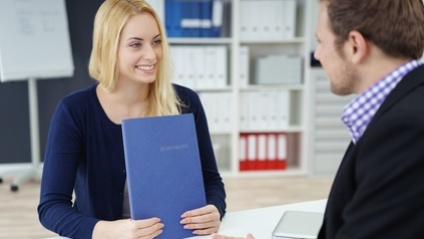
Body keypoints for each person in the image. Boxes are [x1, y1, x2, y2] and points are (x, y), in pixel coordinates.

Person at [212, 0, 424, 238]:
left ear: (355, 45)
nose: (316, 54)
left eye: (321, 41)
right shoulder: (401, 107)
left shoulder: (405, 131)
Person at [37, 0, 226, 238]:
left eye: (156, 42)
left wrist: (214, 208)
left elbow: (211, 180)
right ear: (109, 48)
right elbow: (51, 207)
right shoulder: (75, 111)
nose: (152, 54)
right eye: (136, 44)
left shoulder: (185, 102)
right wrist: (107, 230)